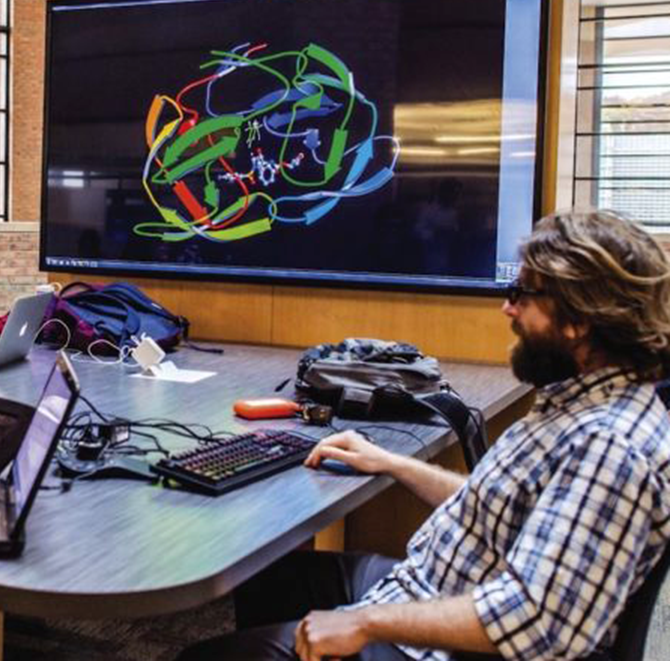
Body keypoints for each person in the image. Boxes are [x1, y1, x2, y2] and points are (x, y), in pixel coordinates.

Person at [179, 210, 670, 661]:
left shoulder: (608, 444)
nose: (507, 308)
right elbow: (504, 504)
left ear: (579, 320)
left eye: (523, 294)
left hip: (452, 642)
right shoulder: (581, 400)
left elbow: (540, 620)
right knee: (272, 576)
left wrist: (365, 622)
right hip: (436, 580)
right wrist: (391, 463)